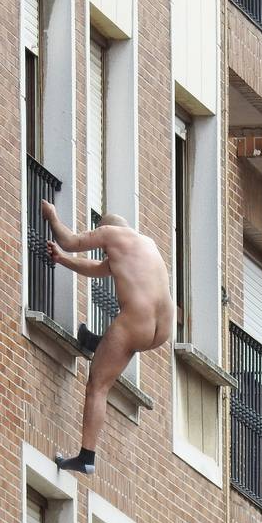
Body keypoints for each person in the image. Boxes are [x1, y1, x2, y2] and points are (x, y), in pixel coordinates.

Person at [42, 201, 175, 474]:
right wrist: (63, 260)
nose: (103, 249)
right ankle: (95, 342)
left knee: (97, 386)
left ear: (106, 230)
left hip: (135, 321)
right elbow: (98, 268)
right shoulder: (146, 244)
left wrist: (52, 216)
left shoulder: (111, 234)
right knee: (113, 347)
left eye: (102, 244)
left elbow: (69, 240)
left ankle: (86, 457)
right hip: (162, 330)